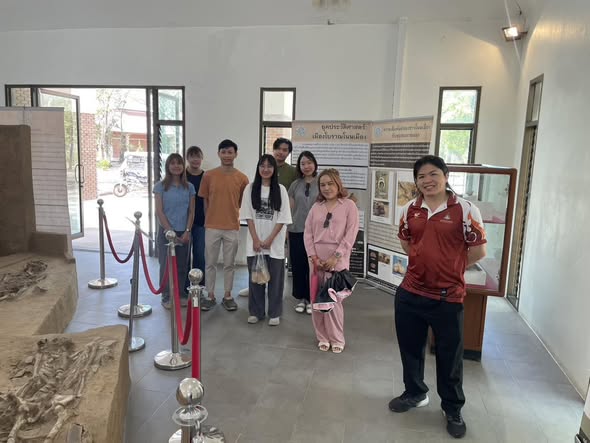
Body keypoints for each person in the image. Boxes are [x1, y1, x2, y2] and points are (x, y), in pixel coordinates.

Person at [389, 155, 487, 439]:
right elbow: (406, 243)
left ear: (445, 176)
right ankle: (415, 393)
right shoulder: (410, 208)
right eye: (421, 176)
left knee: (449, 356)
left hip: (448, 297)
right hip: (410, 292)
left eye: (433, 174)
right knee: (410, 349)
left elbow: (478, 251)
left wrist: (449, 267)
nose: (427, 180)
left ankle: (452, 408)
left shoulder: (465, 209)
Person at [304, 168, 359, 354]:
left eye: (330, 184)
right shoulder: (315, 207)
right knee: (316, 300)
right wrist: (313, 257)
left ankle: (336, 338)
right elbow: (308, 233)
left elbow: (351, 233)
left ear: (338, 184)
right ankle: (322, 337)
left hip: (338, 260)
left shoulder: (349, 205)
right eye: (323, 185)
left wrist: (336, 257)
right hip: (316, 260)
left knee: (333, 302)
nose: (326, 188)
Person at [240, 154, 292, 326]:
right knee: (256, 278)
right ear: (258, 168)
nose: (266, 169)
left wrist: (270, 239)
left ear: (274, 169)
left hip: (274, 244)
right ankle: (256, 312)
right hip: (255, 244)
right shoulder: (250, 188)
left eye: (269, 166)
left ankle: (274, 313)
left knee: (276, 281)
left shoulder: (281, 190)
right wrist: (256, 239)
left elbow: (283, 218)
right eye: (262, 166)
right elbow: (248, 216)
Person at [198, 139, 249, 312]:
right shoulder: (208, 176)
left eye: (230, 152)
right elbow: (205, 200)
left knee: (229, 264)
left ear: (236, 154)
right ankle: (210, 295)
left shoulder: (242, 178)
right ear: (218, 153)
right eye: (224, 152)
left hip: (232, 226)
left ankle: (228, 296)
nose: (227, 155)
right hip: (212, 226)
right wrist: (209, 218)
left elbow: (241, 202)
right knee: (210, 263)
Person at [153, 153, 196, 310]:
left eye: (179, 163)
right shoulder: (160, 186)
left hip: (184, 232)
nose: (176, 166)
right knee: (166, 265)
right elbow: (159, 211)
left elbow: (191, 211)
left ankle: (181, 294)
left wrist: (187, 231)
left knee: (182, 265)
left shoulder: (189, 187)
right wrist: (170, 231)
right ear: (168, 166)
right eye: (173, 163)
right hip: (166, 232)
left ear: (183, 166)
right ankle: (166, 295)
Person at [288, 151, 319, 314]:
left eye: (309, 162)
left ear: (314, 164)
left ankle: (313, 298)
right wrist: (287, 229)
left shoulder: (321, 182)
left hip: (317, 233)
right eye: (302, 163)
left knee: (314, 267)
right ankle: (302, 298)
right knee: (299, 266)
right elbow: (290, 209)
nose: (306, 166)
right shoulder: (295, 185)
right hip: (297, 230)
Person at [185, 146, 206, 288]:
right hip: (184, 222)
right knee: (184, 256)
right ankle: (185, 287)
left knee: (199, 256)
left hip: (201, 221)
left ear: (202, 158)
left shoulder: (206, 176)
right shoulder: (182, 175)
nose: (195, 160)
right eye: (192, 156)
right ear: (187, 158)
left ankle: (200, 287)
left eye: (198, 156)